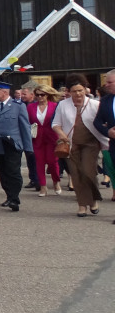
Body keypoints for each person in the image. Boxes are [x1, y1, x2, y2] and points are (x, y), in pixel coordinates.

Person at [53, 73, 108, 217]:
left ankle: (94, 200)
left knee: (88, 171)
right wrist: (61, 134)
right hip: (71, 144)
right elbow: (55, 124)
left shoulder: (95, 104)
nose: (77, 94)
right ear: (69, 92)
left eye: (80, 90)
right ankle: (82, 205)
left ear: (85, 89)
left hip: (90, 143)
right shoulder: (63, 105)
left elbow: (104, 122)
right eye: (74, 91)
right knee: (76, 174)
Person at [0, 80, 33, 212]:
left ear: (4, 92)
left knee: (13, 171)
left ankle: (14, 198)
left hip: (12, 144)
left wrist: (28, 148)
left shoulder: (18, 106)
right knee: (3, 173)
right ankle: (9, 196)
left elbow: (25, 127)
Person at [29, 84, 62, 197]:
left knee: (52, 162)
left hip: (52, 138)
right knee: (39, 162)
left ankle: (56, 182)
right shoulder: (30, 107)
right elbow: (28, 122)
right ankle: (43, 186)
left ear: (47, 95)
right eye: (37, 95)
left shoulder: (55, 106)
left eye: (42, 94)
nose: (39, 97)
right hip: (37, 138)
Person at [92, 70, 115, 215]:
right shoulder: (106, 101)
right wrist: (108, 132)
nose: (106, 85)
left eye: (110, 82)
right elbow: (97, 122)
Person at [19, 83, 42, 191]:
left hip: (37, 134)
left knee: (36, 158)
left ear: (32, 94)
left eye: (24, 94)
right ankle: (33, 179)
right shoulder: (21, 104)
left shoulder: (36, 105)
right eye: (22, 94)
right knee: (29, 158)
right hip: (26, 135)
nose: (22, 96)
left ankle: (38, 180)